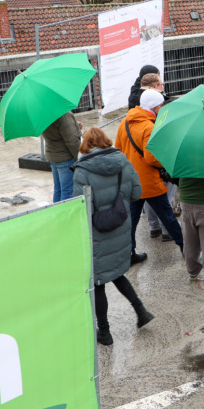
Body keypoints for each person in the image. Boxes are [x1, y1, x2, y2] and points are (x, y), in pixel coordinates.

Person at [72, 127, 154, 346]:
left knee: (98, 281)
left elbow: (80, 208)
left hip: (97, 231)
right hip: (120, 225)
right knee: (117, 272)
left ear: (86, 144)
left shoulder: (82, 170)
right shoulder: (123, 162)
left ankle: (105, 332)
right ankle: (141, 310)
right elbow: (137, 193)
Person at [115, 88, 184, 263]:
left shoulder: (125, 122)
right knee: (167, 216)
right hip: (148, 182)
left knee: (131, 220)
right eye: (161, 105)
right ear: (154, 107)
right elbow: (151, 157)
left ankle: (128, 254)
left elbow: (118, 150)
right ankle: (186, 248)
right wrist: (166, 161)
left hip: (131, 180)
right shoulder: (148, 126)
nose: (162, 108)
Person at [42, 110, 81, 202]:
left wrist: (74, 125)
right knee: (67, 192)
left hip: (53, 155)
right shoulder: (64, 114)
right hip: (65, 158)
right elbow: (72, 142)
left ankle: (57, 214)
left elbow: (57, 130)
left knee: (58, 189)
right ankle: (65, 216)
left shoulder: (44, 113)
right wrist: (79, 158)